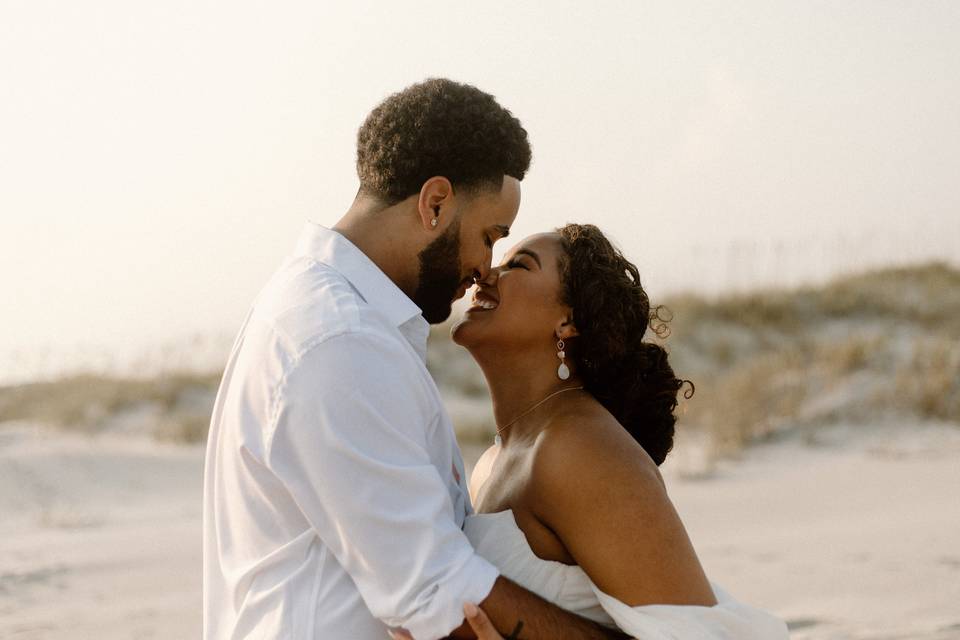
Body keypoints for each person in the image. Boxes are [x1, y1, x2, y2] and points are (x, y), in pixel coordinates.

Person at [203, 79, 624, 639]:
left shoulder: (338, 319)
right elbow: (436, 593)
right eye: (490, 235)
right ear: (434, 203)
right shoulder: (337, 342)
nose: (485, 266)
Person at [451, 224, 790, 639]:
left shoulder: (578, 448)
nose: (486, 273)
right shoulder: (493, 459)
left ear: (568, 322)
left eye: (518, 265)